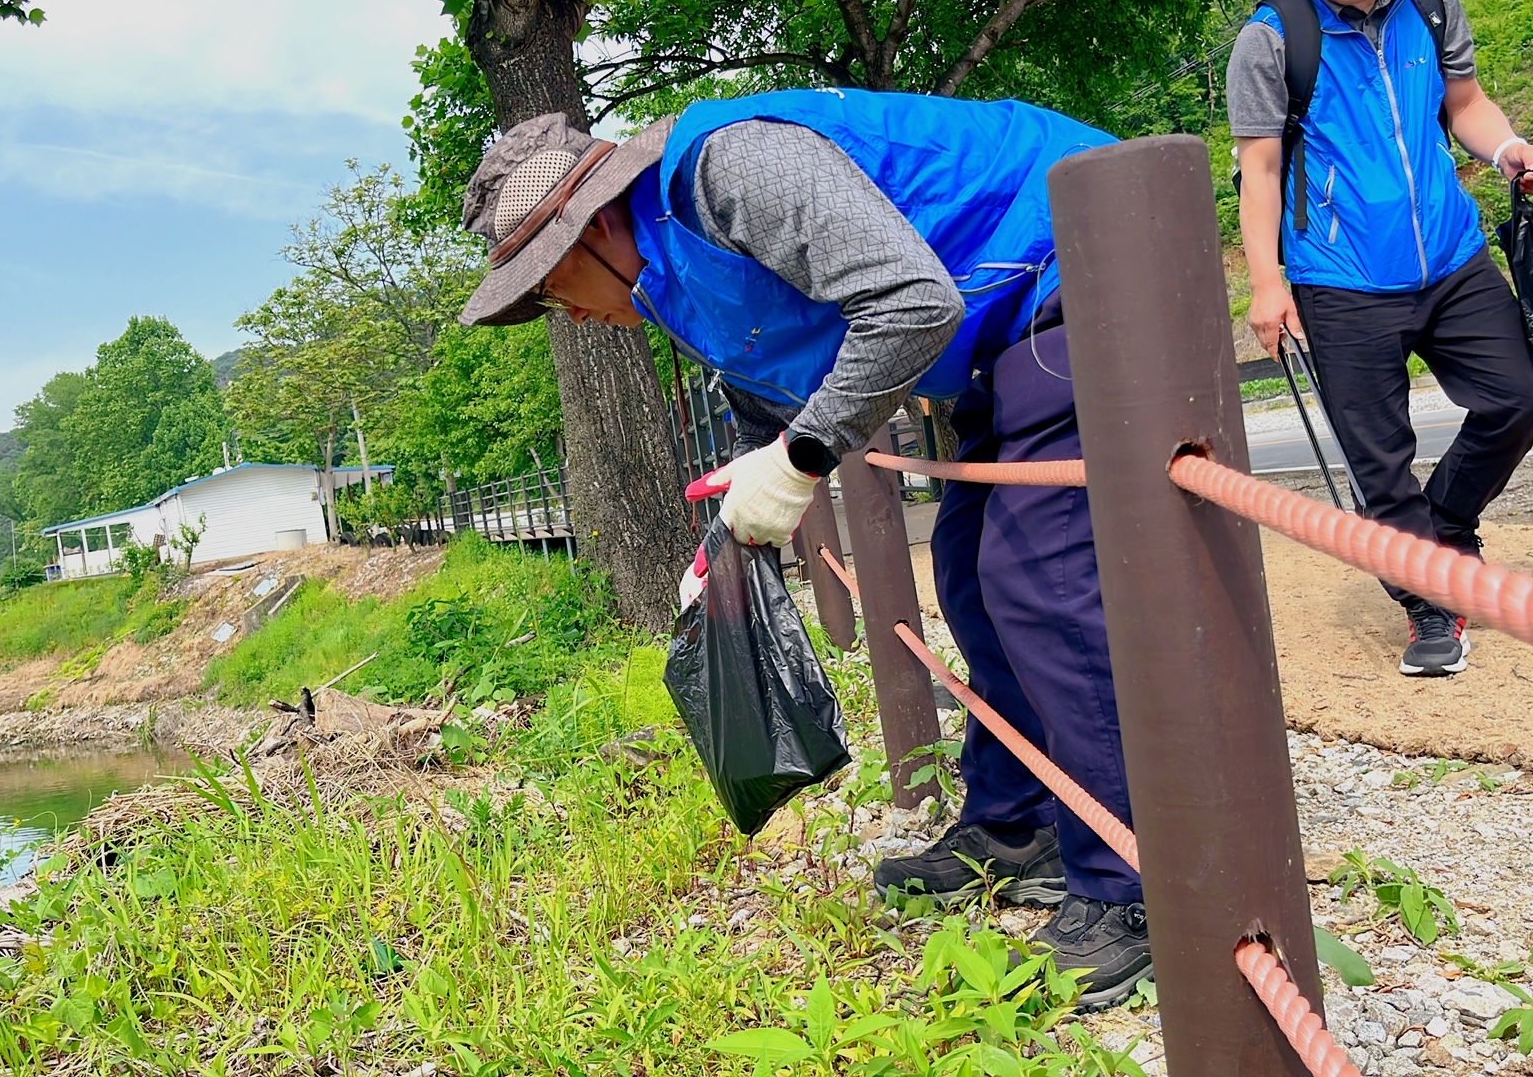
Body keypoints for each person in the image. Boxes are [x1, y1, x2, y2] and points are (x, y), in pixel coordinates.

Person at [456, 89, 1151, 1009]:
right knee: (970, 577)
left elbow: (910, 301)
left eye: (550, 289)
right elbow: (772, 401)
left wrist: (801, 462)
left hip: (1076, 256)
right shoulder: (666, 277)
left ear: (588, 230)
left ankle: (1133, 886)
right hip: (998, 330)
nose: (566, 316)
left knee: (1040, 581)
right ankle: (1017, 825)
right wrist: (733, 539)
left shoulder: (730, 172)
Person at [1229, 0, 1533, 677]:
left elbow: (1467, 103)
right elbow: (1260, 169)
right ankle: (1428, 606)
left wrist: (1510, 150)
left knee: (1520, 398)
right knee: (1378, 462)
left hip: (1451, 257)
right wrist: (1266, 283)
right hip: (1340, 277)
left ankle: (1447, 523)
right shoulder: (1272, 37)